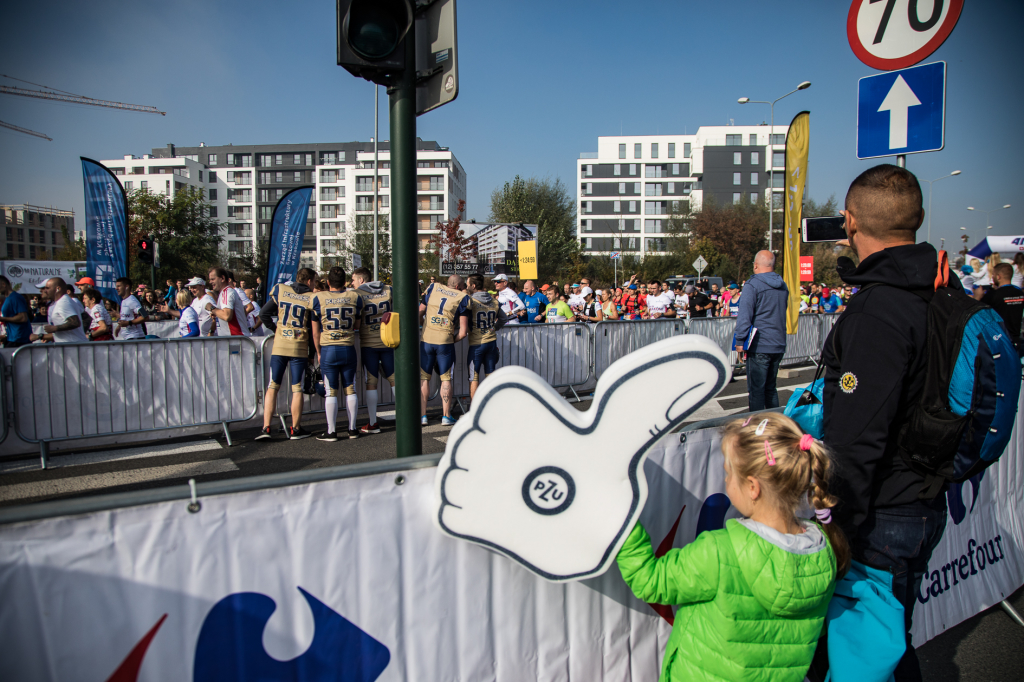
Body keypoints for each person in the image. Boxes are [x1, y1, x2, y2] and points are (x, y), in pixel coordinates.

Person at [821, 164, 964, 681]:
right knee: (888, 642)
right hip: (924, 499)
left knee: (865, 654)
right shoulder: (945, 294)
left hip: (879, 514)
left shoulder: (878, 311)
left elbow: (856, 441)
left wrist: (831, 525)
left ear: (849, 221)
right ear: (920, 219)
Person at [617, 413, 846, 682]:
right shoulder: (824, 552)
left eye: (728, 473)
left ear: (752, 487)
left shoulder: (720, 552)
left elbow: (650, 580)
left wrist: (621, 517)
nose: (725, 481)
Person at [257, 267, 317, 440]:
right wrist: (312, 352)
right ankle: (295, 429)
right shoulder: (311, 298)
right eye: (313, 281)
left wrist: (276, 329)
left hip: (280, 344)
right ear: (308, 281)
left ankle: (266, 428)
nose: (314, 285)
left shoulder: (281, 290)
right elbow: (312, 329)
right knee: (297, 388)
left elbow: (263, 313)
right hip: (299, 345)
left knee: (273, 385)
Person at [311, 266, 363, 441]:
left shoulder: (319, 298)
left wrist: (318, 352)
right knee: (350, 388)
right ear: (345, 282)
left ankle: (331, 431)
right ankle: (352, 429)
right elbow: (357, 326)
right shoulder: (355, 297)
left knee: (331, 391)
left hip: (329, 348)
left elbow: (315, 332)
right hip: (348, 347)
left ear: (327, 283)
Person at [734, 250, 789, 411]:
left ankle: (757, 428)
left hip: (759, 343)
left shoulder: (753, 284)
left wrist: (740, 340)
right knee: (771, 388)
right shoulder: (782, 284)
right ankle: (774, 426)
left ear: (756, 265)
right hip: (778, 342)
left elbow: (745, 315)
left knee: (756, 391)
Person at [419, 274, 470, 426]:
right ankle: (446, 416)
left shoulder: (433, 288)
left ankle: (423, 416)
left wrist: (426, 325)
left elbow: (420, 312)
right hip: (445, 342)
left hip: (427, 339)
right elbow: (462, 332)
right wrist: (450, 339)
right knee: (446, 378)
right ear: (458, 287)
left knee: (424, 377)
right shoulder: (462, 298)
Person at [352, 266, 393, 434]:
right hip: (388, 341)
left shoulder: (357, 294)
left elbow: (356, 321)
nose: (352, 283)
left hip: (368, 342)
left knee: (371, 382)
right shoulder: (388, 290)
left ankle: (373, 422)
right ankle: (408, 418)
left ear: (362, 280)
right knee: (395, 380)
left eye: (354, 280)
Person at [465, 274, 508, 403]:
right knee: (490, 375)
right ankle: (492, 405)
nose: (467, 286)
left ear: (473, 285)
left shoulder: (470, 301)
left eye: (468, 284)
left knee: (474, 376)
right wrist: (494, 328)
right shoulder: (494, 301)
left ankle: (474, 408)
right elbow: (504, 318)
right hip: (491, 342)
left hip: (476, 344)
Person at [980, 262, 1023, 352]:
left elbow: (978, 311)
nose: (992, 278)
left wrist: (978, 297)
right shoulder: (1019, 293)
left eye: (993, 275)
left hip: (999, 339)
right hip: (1016, 338)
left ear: (998, 276)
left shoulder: (993, 295)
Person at [32, 278, 89, 344]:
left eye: (47, 288)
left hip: (72, 348)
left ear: (57, 289)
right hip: (72, 346)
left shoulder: (63, 302)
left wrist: (55, 328)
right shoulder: (62, 301)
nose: (45, 291)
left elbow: (75, 322)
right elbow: (87, 319)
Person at [208, 267, 250, 337]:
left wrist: (211, 308)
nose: (210, 282)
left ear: (222, 278)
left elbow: (227, 316)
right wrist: (217, 313)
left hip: (236, 339)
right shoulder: (225, 292)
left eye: (213, 279)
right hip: (235, 339)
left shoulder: (227, 292)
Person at [0, 275, 32, 347]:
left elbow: (23, 318)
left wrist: (2, 319)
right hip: (12, 338)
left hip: (19, 339)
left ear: (3, 284)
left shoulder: (15, 297)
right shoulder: (8, 298)